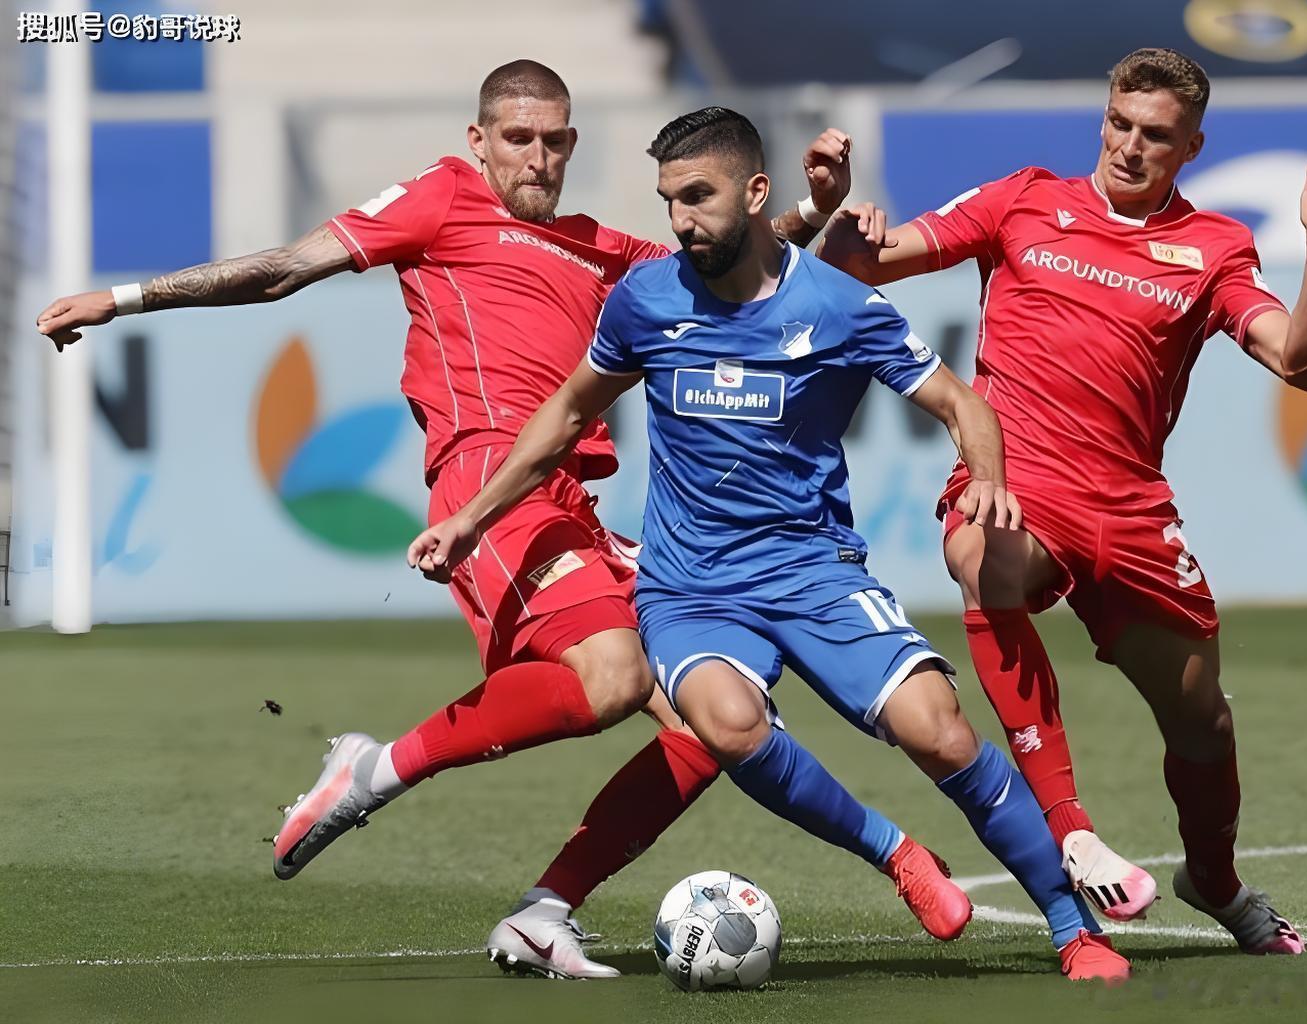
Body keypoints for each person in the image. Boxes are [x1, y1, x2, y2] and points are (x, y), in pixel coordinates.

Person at [34, 61, 884, 978]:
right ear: (480, 141)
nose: (540, 156)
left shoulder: (598, 248)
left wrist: (809, 209)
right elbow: (286, 269)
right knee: (610, 676)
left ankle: (544, 912)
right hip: (486, 480)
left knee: (722, 718)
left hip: (570, 502)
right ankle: (378, 769)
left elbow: (721, 255)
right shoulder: (442, 199)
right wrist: (125, 299)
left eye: (557, 139)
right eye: (520, 138)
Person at [413, 106, 1132, 982]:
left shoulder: (836, 304)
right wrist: (470, 517)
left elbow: (962, 404)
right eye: (669, 200)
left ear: (757, 193)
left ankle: (1073, 928)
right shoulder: (645, 300)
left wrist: (986, 477)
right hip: (692, 590)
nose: (681, 220)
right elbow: (565, 415)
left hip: (813, 571)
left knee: (938, 732)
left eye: (699, 197)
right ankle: (898, 854)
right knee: (727, 724)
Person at [817, 47, 1307, 950]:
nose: (1130, 147)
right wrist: (839, 218)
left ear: (1191, 147)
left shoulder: (1217, 245)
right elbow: (863, 264)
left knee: (1201, 718)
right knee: (979, 554)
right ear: (1102, 117)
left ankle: (1215, 882)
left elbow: (1299, 364)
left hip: (1132, 510)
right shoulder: (1024, 199)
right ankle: (1071, 830)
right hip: (1018, 486)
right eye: (1119, 124)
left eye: (1156, 136)